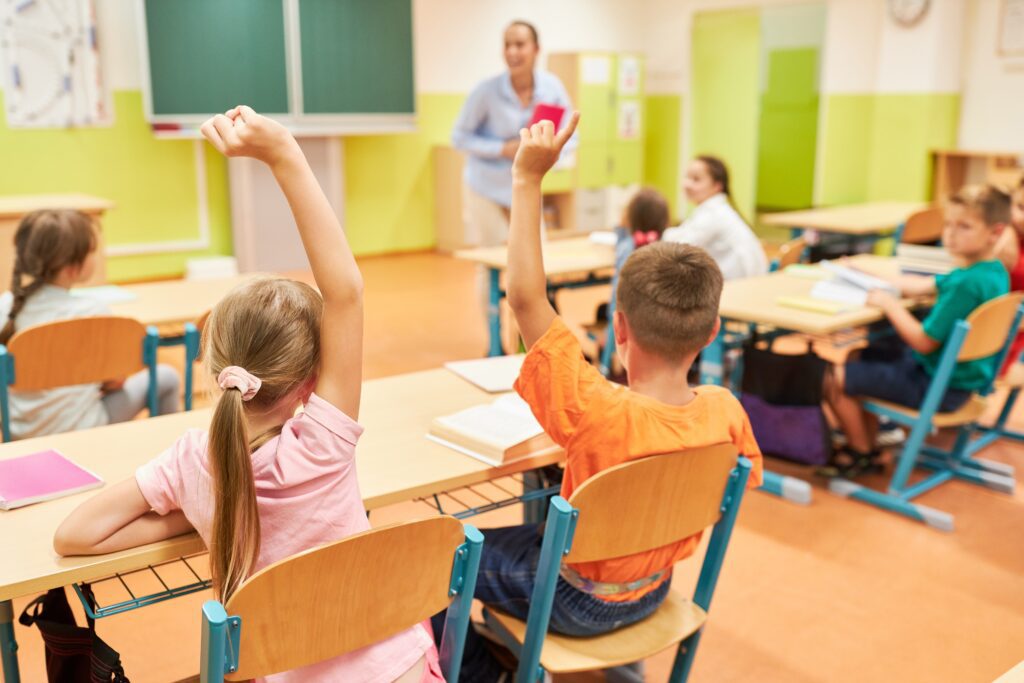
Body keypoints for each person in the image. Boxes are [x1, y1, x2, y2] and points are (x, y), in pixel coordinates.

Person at [53, 107, 441, 682]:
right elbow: (346, 293)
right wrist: (283, 150)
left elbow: (74, 535)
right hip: (398, 667)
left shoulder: (193, 464)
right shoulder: (323, 448)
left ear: (211, 367)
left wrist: (207, 511)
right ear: (311, 381)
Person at [451, 114, 763, 680]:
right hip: (656, 588)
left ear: (619, 329)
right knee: (552, 506)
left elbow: (524, 297)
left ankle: (480, 672)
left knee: (437, 552)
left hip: (575, 601)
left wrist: (526, 180)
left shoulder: (596, 407)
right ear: (712, 331)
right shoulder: (727, 411)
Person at [821, 185, 1012, 477]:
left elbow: (923, 342)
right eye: (948, 224)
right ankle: (869, 442)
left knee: (830, 377)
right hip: (961, 382)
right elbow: (919, 285)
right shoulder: (993, 272)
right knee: (859, 354)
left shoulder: (965, 284)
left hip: (936, 386)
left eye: (964, 226)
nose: (950, 234)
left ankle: (861, 454)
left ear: (995, 233)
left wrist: (889, 303)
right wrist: (865, 271)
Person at [0, 209, 179, 439]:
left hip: (19, 434)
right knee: (167, 377)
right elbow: (115, 381)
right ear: (73, 267)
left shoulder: (5, 307)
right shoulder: (93, 313)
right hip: (85, 427)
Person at [451, 20, 576, 326]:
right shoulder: (486, 92)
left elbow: (570, 135)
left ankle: (537, 335)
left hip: (527, 186)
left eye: (519, 44)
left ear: (536, 49)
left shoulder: (552, 88)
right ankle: (494, 341)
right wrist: (501, 149)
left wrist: (552, 157)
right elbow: (460, 138)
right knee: (492, 264)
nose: (512, 51)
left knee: (537, 261)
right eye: (507, 44)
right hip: (486, 186)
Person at [662, 155, 768, 280]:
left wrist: (664, 233)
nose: (687, 184)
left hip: (739, 285)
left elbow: (679, 248)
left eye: (696, 179)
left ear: (717, 186)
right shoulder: (715, 209)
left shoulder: (714, 214)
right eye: (687, 177)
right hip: (747, 279)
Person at [993, 177, 1024, 374]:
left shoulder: (1006, 248)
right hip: (993, 347)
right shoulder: (1012, 238)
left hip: (994, 353)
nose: (1020, 218)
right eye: (1019, 206)